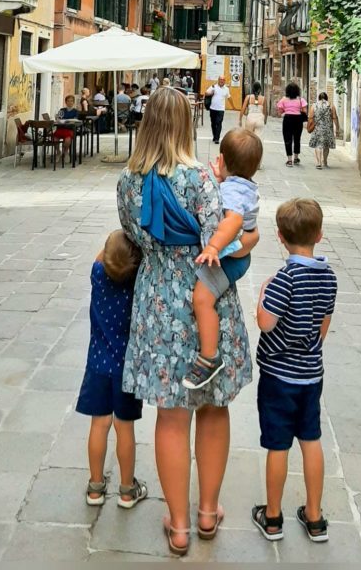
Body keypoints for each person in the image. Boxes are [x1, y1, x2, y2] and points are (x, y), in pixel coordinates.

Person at [117, 88, 252, 556]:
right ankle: (208, 512)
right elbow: (223, 239)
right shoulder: (200, 179)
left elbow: (133, 236)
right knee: (213, 408)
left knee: (171, 416)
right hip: (205, 297)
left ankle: (177, 526)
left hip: (156, 301)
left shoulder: (127, 182)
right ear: (185, 126)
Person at [251, 198, 337, 544]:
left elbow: (265, 323)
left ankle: (272, 517)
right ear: (319, 235)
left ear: (280, 237)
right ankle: (314, 517)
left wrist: (261, 292)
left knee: (278, 445)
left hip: (278, 378)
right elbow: (322, 328)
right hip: (310, 375)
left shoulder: (283, 280)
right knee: (311, 440)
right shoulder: (328, 276)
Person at [183, 128, 262, 389]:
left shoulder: (233, 192)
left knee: (202, 299)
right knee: (203, 298)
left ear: (224, 160)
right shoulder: (241, 185)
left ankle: (209, 356)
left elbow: (234, 219)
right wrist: (221, 181)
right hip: (235, 255)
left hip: (228, 258)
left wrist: (214, 246)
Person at [76, 230, 149, 511]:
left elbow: (102, 258)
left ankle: (95, 488)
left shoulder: (97, 274)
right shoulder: (136, 285)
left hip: (97, 364)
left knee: (99, 424)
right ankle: (127, 490)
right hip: (125, 369)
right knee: (124, 427)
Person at [307, 92, 341, 169]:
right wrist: (337, 129)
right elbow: (335, 117)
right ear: (327, 98)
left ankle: (318, 163)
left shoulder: (314, 105)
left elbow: (310, 117)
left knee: (318, 145)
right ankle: (324, 161)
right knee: (326, 146)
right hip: (328, 129)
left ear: (318, 98)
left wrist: (309, 126)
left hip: (317, 129)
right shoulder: (331, 105)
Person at [277, 83, 307, 166]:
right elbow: (304, 111)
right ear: (297, 91)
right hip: (298, 120)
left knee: (287, 139)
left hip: (288, 119)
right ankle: (296, 158)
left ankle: (289, 160)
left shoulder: (283, 100)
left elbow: (280, 112)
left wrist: (287, 110)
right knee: (297, 139)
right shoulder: (301, 99)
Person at [205, 76, 230, 145]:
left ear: (224, 81)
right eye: (220, 79)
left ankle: (217, 138)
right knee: (213, 123)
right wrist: (211, 93)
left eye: (223, 80)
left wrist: (234, 106)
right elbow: (206, 93)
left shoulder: (226, 89)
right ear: (218, 80)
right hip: (213, 108)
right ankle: (214, 135)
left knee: (219, 123)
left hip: (221, 109)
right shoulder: (213, 86)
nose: (222, 81)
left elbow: (229, 97)